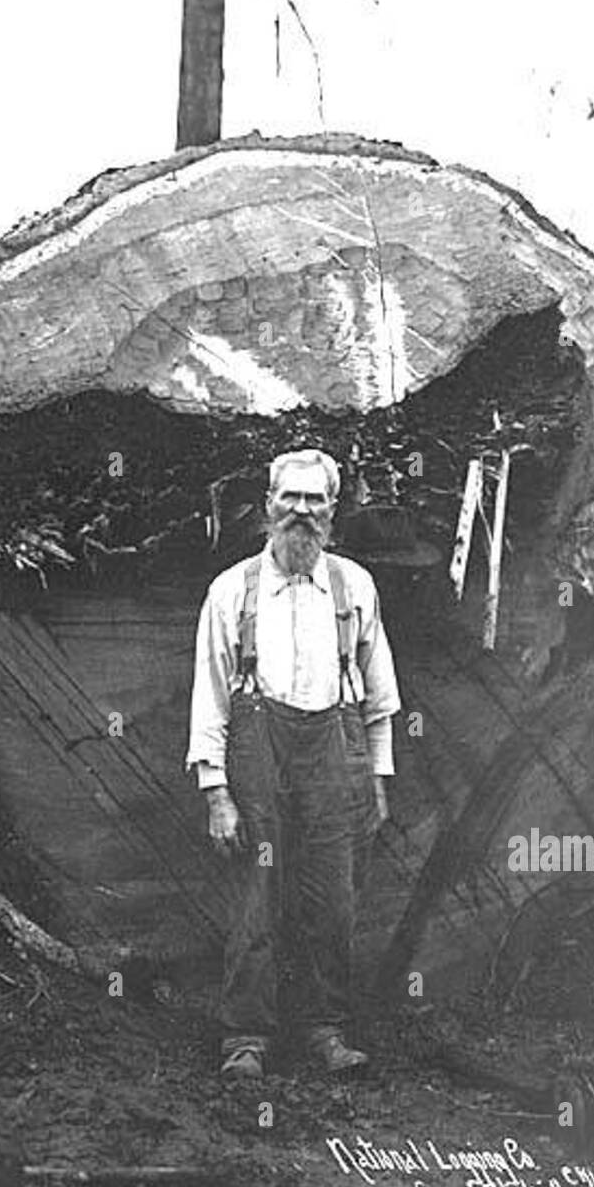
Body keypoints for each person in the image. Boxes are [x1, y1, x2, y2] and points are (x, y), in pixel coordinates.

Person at [186, 448, 402, 1079]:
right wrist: (215, 792)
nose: (302, 512)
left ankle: (325, 1030)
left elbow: (379, 694)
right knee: (259, 893)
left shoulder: (354, 586)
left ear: (332, 513)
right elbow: (211, 693)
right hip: (259, 757)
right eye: (291, 499)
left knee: (333, 897)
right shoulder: (232, 591)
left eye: (316, 501)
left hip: (336, 757)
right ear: (269, 505)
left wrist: (378, 779)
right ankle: (245, 1040)